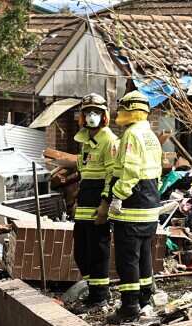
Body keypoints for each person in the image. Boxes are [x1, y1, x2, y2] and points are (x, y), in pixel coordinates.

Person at [107, 89, 164, 322]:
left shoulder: (131, 135)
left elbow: (130, 171)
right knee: (144, 256)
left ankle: (129, 306)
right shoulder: (150, 135)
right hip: (150, 204)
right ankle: (144, 297)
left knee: (127, 257)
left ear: (130, 111)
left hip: (132, 205)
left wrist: (117, 196)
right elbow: (158, 171)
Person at [71, 93, 120, 306]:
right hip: (84, 203)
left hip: (98, 204)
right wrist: (76, 199)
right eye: (88, 112)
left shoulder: (109, 141)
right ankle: (95, 290)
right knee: (81, 252)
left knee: (98, 250)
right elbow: (84, 173)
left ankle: (99, 296)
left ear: (104, 116)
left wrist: (104, 205)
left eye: (97, 112)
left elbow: (112, 175)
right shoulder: (86, 141)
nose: (92, 116)